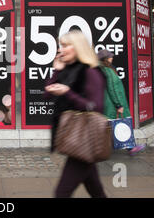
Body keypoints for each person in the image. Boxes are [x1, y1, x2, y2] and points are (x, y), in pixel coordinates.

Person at [44, 30, 107, 198]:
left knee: (61, 193)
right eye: (61, 46)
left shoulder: (90, 72)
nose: (61, 50)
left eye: (65, 45)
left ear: (78, 47)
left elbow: (95, 107)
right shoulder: (67, 70)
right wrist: (56, 71)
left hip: (84, 138)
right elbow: (47, 94)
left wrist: (67, 92)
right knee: (95, 189)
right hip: (77, 139)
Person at [97, 49, 146, 156]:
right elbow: (112, 88)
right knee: (122, 125)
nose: (112, 57)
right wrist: (118, 104)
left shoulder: (102, 70)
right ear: (105, 59)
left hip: (108, 103)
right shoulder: (108, 71)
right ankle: (131, 147)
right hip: (113, 104)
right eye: (110, 56)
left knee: (109, 127)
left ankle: (102, 148)